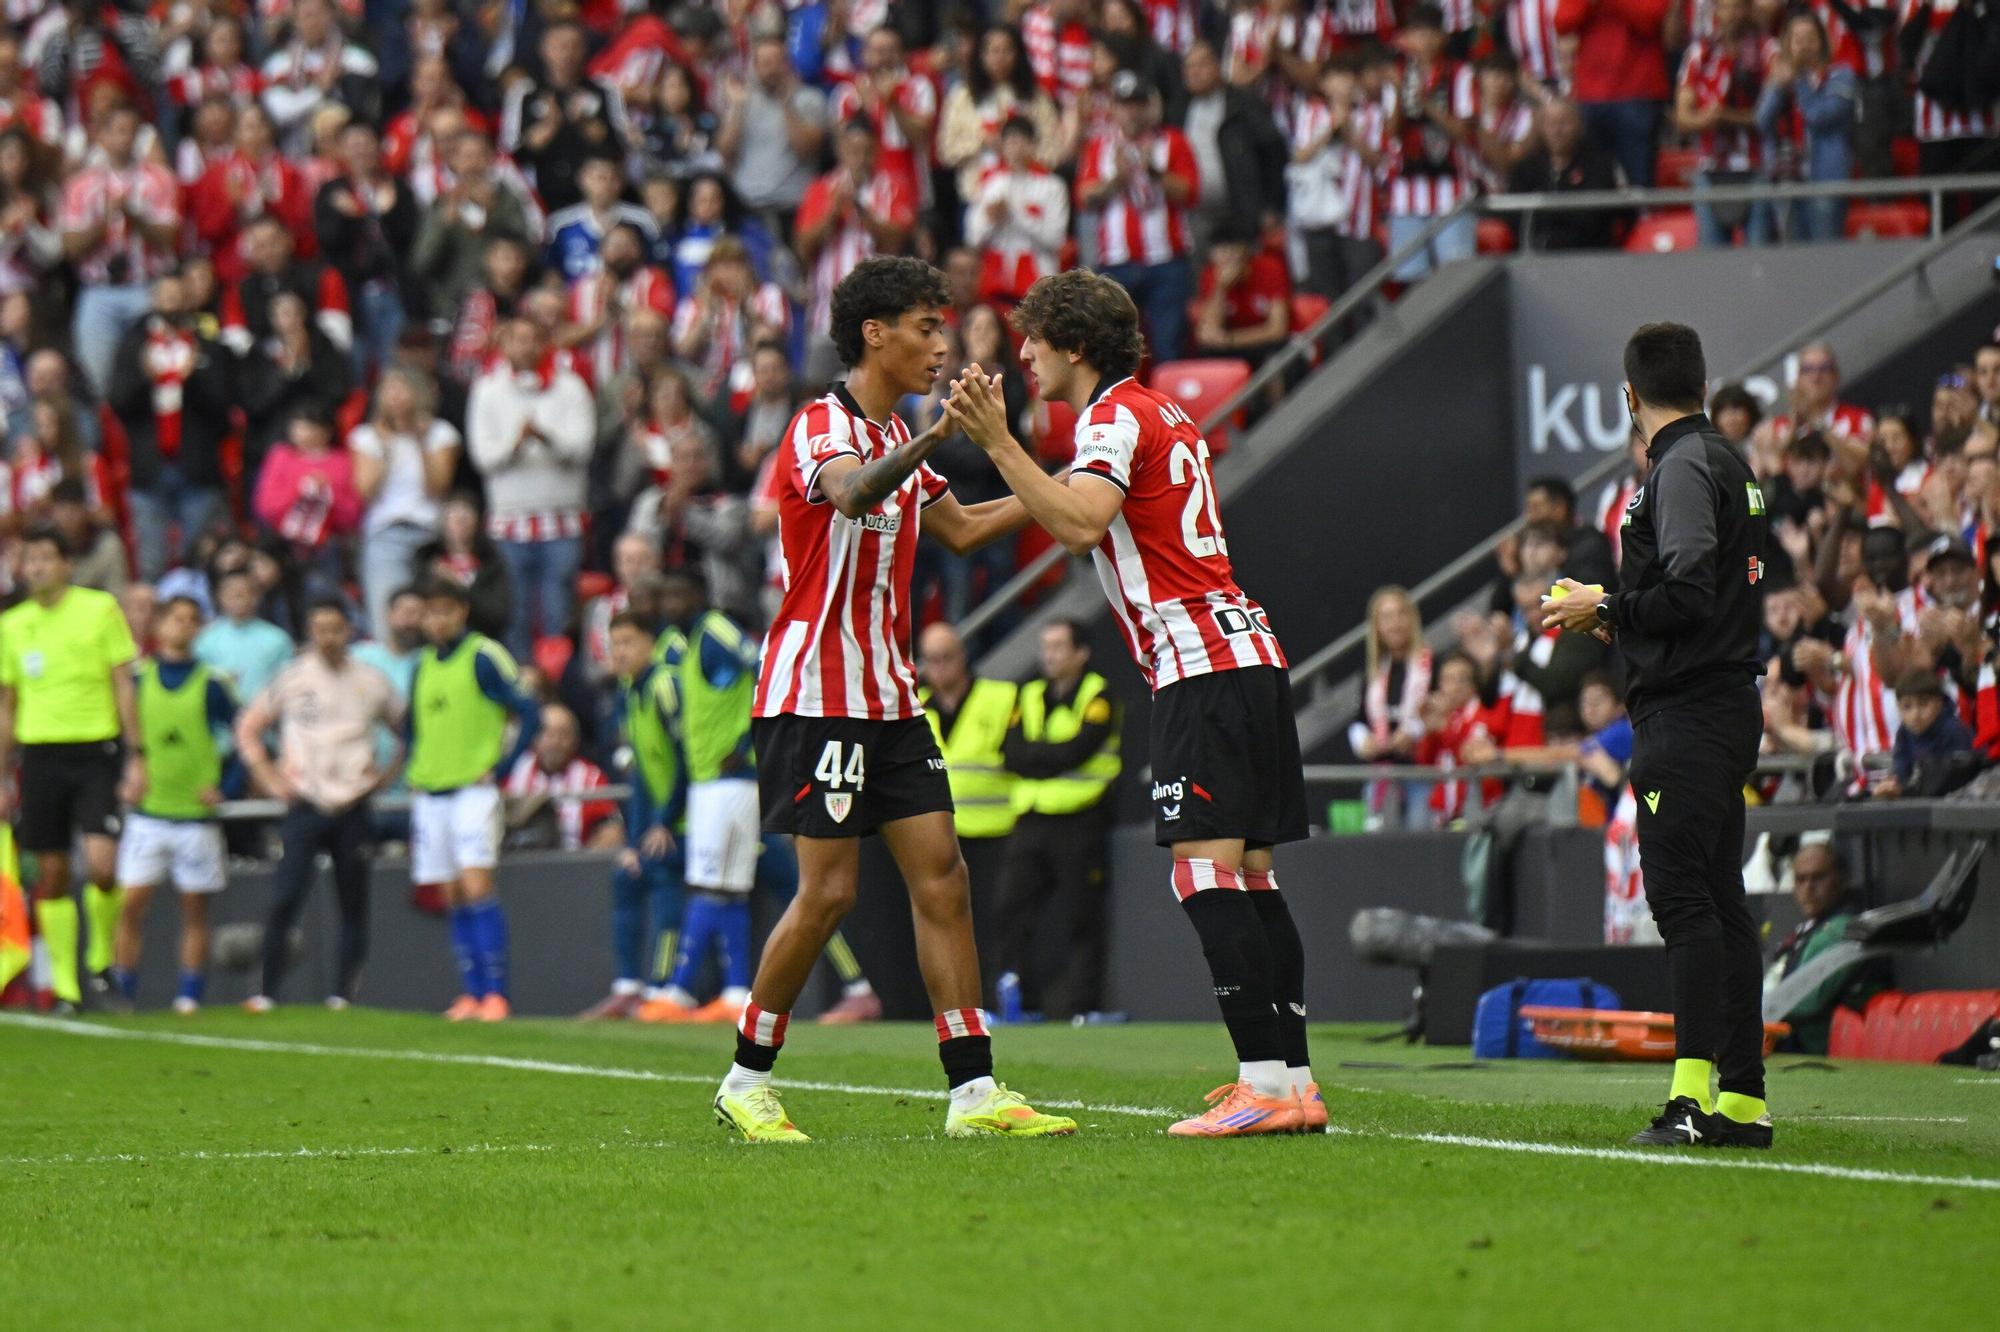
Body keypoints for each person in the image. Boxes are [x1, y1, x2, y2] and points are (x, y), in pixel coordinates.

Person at [939, 268, 1318, 1138]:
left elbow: (1077, 522)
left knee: (1204, 873)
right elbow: (1071, 506)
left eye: (1034, 338)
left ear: (1075, 345)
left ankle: (1265, 1082)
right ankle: (1292, 1082)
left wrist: (1000, 443)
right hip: (1247, 652)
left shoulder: (1109, 417)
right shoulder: (1160, 413)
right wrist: (956, 510)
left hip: (1198, 663)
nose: (1024, 354)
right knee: (1252, 875)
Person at [715, 256, 1074, 1143]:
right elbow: (848, 492)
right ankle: (745, 1078)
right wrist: (934, 440)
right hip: (814, 695)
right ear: (874, 334)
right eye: (926, 327)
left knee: (944, 877)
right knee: (830, 892)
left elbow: (961, 528)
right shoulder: (822, 428)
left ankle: (973, 1092)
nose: (941, 346)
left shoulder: (899, 442)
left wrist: (1059, 486)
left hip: (890, 697)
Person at [1542, 321, 1772, 1148]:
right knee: (1719, 899)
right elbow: (1696, 606)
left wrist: (1604, 605)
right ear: (1704, 385)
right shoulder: (1726, 461)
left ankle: (1690, 1102)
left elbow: (1688, 591)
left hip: (1688, 714)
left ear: (1628, 396)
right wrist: (1618, 625)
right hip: (1719, 701)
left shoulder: (1677, 468)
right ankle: (1742, 1100)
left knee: (1683, 902)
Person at [0, 528, 144, 1014]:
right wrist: (2, 775)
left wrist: (137, 753)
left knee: (102, 867)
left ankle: (100, 960)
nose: (36, 567)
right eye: (29, 559)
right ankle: (67, 987)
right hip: (39, 756)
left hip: (94, 750)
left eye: (46, 558)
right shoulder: (13, 624)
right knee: (53, 872)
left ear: (66, 564)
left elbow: (123, 683)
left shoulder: (99, 609)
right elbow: (7, 704)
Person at [235, 599, 404, 1009]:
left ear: (349, 630)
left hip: (353, 802)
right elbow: (249, 728)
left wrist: (384, 778)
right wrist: (272, 780)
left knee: (352, 901)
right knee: (284, 896)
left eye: (336, 628)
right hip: (305, 800)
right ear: (310, 633)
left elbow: (406, 730)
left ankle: (343, 993)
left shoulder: (372, 680)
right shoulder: (293, 677)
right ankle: (267, 991)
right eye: (320, 629)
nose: (329, 637)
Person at [407, 578, 542, 1021]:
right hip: (432, 791)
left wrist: (501, 769)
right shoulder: (422, 663)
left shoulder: (483, 655)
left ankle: (496, 994)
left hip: (472, 789)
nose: (437, 620)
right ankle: (470, 993)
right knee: (449, 892)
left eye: (445, 610)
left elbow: (528, 711)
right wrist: (416, 766)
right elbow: (415, 726)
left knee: (477, 884)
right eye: (430, 612)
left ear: (461, 611)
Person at [640, 570, 763, 1023]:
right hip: (710, 780)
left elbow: (763, 667)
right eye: (666, 593)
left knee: (712, 884)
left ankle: (683, 989)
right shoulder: (689, 642)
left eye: (680, 591)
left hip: (730, 779)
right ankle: (733, 993)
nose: (672, 601)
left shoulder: (715, 630)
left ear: (699, 594)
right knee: (725, 887)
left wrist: (749, 742)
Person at [107, 596, 237, 1014]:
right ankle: (122, 992)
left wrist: (226, 787)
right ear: (159, 625)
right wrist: (125, 778)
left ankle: (189, 997)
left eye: (191, 621)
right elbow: (116, 738)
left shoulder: (213, 682)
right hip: (149, 813)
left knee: (194, 910)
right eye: (175, 619)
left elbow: (245, 739)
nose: (182, 627)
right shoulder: (138, 680)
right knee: (130, 905)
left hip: (196, 817)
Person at [997, 619, 1123, 1022]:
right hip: (1031, 821)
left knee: (1081, 915)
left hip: (1080, 820)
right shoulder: (1028, 693)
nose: (1048, 654)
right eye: (1044, 645)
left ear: (1081, 653)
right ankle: (1023, 1006)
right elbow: (1010, 751)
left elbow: (1078, 750)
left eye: (1058, 646)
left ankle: (1084, 1007)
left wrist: (1037, 759)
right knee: (1010, 911)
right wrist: (1043, 759)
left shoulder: (1098, 694)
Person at [466, 317, 595, 659]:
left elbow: (582, 449)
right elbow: (483, 455)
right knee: (515, 614)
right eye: (516, 338)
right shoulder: (487, 389)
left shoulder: (571, 387)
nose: (525, 346)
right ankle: (523, 687)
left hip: (562, 519)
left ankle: (559, 688)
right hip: (509, 521)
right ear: (504, 345)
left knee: (559, 612)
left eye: (532, 338)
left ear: (545, 344)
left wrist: (545, 439)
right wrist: (517, 444)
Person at [589, 612, 685, 1021]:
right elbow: (644, 775)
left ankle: (663, 988)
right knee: (626, 876)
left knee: (664, 877)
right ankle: (628, 987)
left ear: (651, 642)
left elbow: (687, 760)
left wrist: (665, 821)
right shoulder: (629, 693)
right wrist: (634, 839)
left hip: (690, 818)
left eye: (629, 642)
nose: (621, 652)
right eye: (615, 644)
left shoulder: (666, 684)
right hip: (663, 819)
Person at [917, 620, 1019, 1003]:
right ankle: (955, 1002)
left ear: (963, 657)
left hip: (999, 829)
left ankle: (999, 1001)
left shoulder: (1001, 696)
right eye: (932, 659)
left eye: (947, 657)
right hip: (939, 834)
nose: (940, 667)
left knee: (997, 921)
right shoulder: (915, 706)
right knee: (945, 921)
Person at [1077, 71, 1197, 363]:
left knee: (1168, 347)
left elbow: (1190, 193)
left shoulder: (1173, 141)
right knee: (1113, 352)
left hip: (1166, 261)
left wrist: (1154, 172)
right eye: (1124, 104)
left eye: (1137, 104)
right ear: (1114, 108)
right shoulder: (1100, 147)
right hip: (1117, 262)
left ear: (1148, 107)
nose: (1131, 111)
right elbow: (1084, 197)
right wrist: (1115, 180)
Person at [351, 366, 461, 643]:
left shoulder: (441, 433)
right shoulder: (365, 437)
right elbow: (366, 491)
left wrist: (420, 441)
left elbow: (437, 487)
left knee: (433, 620)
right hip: (385, 535)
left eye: (402, 388)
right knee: (387, 623)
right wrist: (386, 449)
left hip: (430, 536)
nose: (395, 396)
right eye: (389, 389)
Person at [1766, 844, 1891, 1053]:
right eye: (1801, 879)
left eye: (1818, 878)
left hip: (1822, 1050)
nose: (1808, 888)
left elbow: (1806, 1002)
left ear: (1841, 880)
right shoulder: (1810, 929)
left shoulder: (1844, 929)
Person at [196, 568, 296, 706]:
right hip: (218, 721)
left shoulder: (277, 639)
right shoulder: (205, 640)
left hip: (265, 719)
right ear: (219, 597)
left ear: (256, 597)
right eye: (230, 593)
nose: (237, 598)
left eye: (243, 593)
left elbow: (287, 685)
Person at [1880, 668, 1975, 798]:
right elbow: (1900, 769)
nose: (1915, 714)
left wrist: (1907, 791)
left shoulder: (1954, 731)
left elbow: (1954, 779)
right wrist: (1893, 786)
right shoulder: (1903, 733)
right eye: (1907, 707)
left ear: (1938, 703)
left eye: (1923, 704)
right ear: (1898, 708)